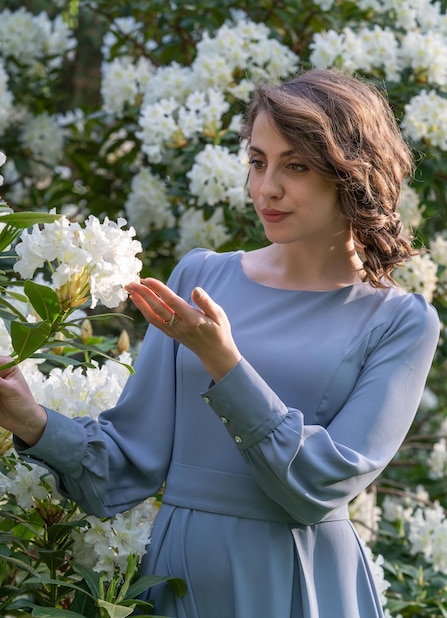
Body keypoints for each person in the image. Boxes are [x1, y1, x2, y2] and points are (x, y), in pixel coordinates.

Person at [0, 68, 440, 618]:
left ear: (352, 174)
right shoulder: (202, 278)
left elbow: (318, 486)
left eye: (295, 166)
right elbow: (124, 468)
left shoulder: (401, 319)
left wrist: (222, 360)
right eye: (258, 161)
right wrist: (31, 421)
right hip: (180, 579)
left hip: (300, 581)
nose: (266, 188)